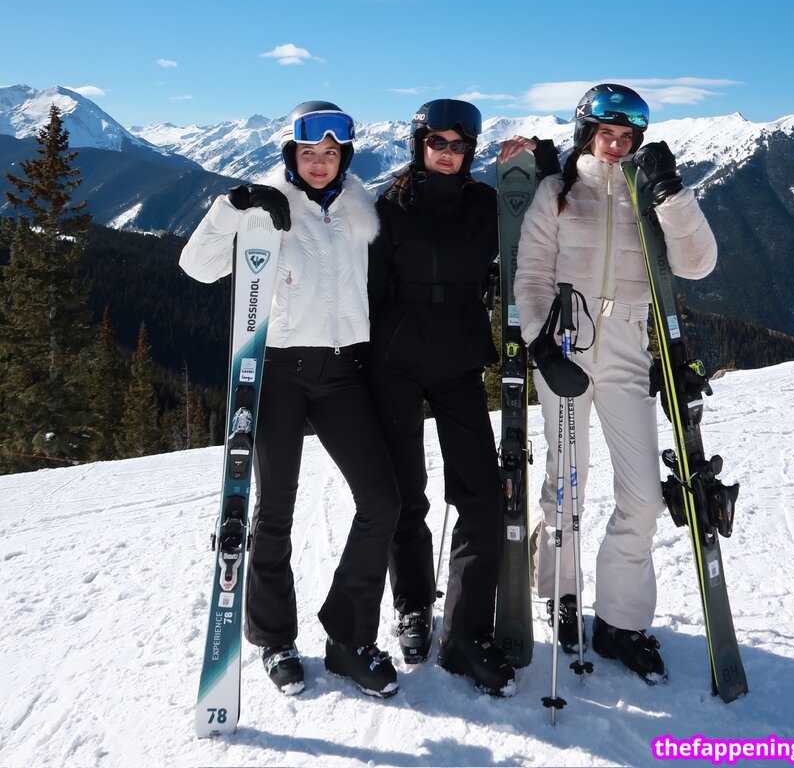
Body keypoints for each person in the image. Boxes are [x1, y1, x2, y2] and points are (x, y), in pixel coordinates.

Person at [179, 101, 402, 699]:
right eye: (309, 152)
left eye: (331, 152)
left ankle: (348, 637)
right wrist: (233, 205)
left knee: (382, 502)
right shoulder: (266, 208)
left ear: (344, 156)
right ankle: (275, 639)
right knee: (273, 511)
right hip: (278, 371)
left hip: (344, 371)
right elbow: (196, 267)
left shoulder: (360, 209)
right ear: (291, 154)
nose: (320, 162)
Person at [513, 83, 717, 682]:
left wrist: (671, 191)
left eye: (627, 136)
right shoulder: (556, 192)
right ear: (587, 133)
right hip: (566, 345)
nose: (616, 145)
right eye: (607, 133)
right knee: (565, 486)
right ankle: (560, 593)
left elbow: (697, 264)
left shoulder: (646, 193)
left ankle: (620, 621)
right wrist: (541, 347)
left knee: (644, 497)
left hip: (628, 346)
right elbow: (531, 274)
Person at [367, 98, 558, 697]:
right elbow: (367, 289)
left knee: (480, 497)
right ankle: (413, 605)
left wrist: (541, 159)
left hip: (458, 361)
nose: (447, 154)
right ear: (419, 146)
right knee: (405, 495)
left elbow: (543, 214)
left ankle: (465, 634)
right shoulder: (389, 208)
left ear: (469, 152)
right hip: (396, 361)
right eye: (437, 143)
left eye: (457, 146)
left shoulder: (485, 204)